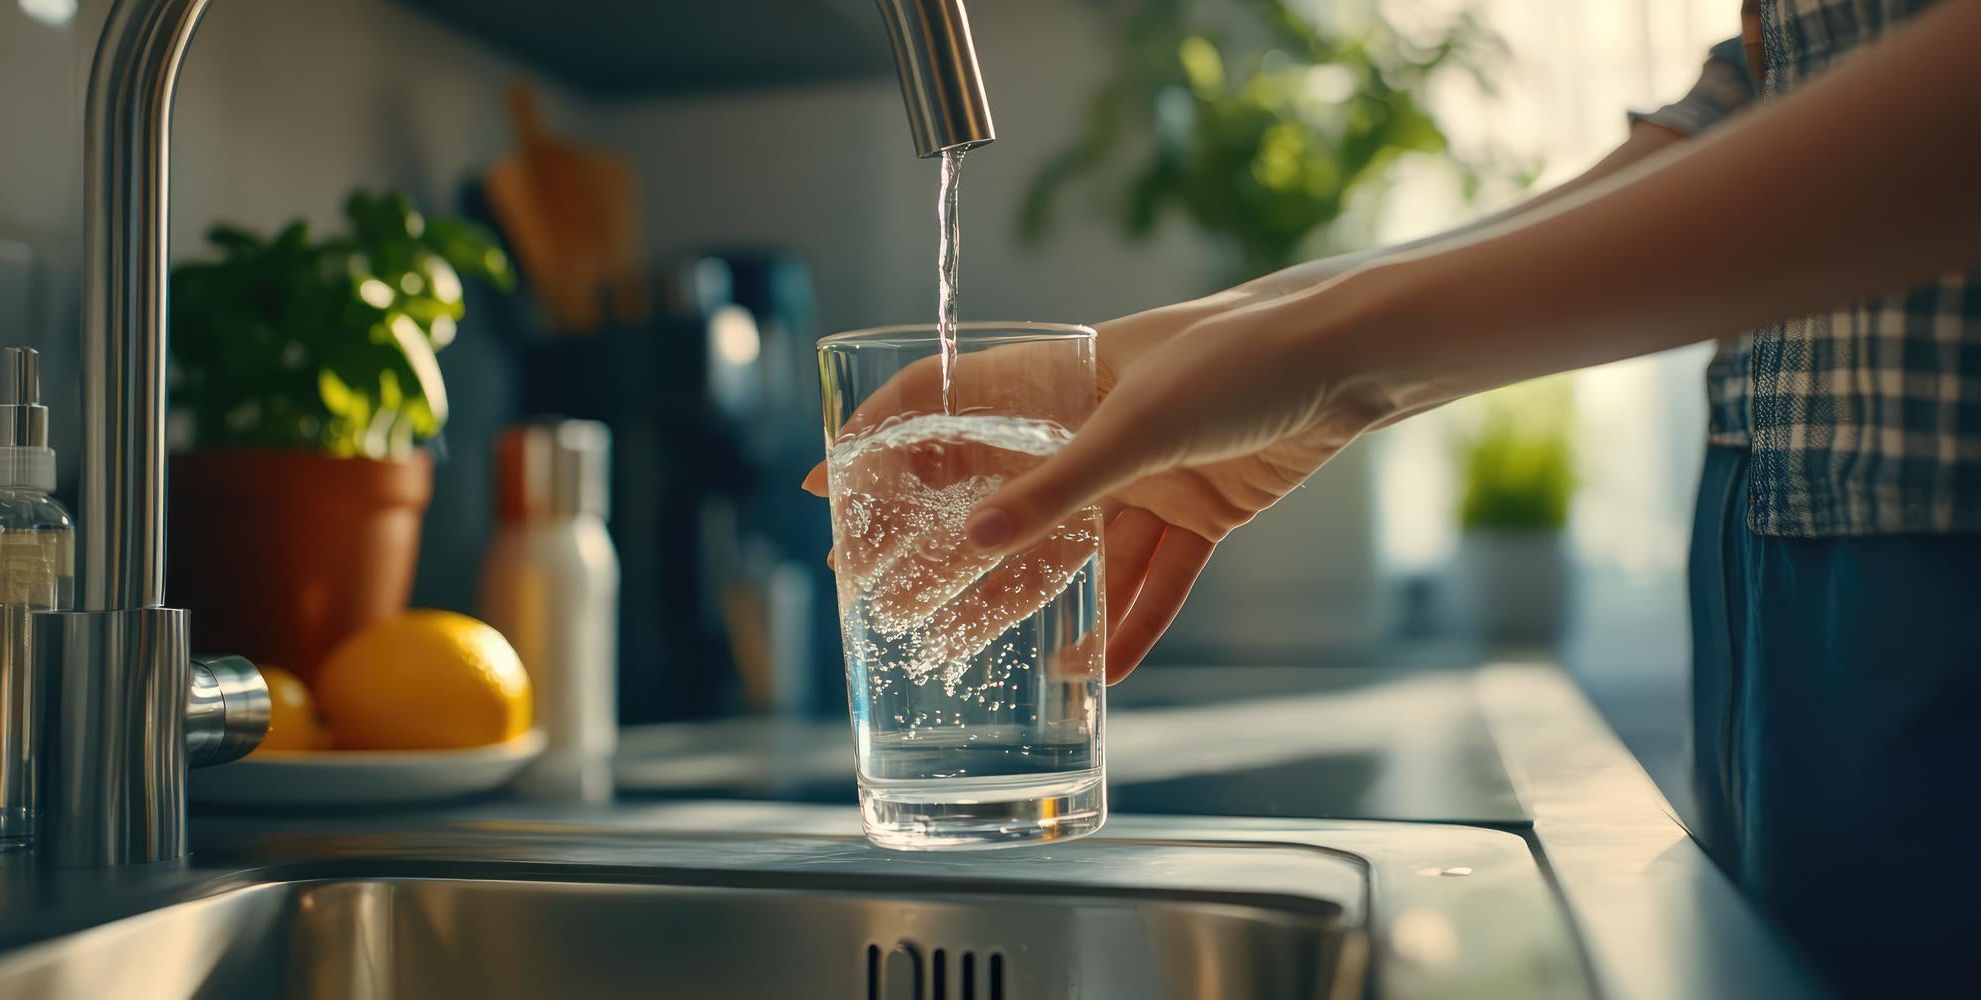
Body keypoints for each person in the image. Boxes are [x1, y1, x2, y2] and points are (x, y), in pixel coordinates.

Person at [810, 1, 1979, 992]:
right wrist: (1270, 327)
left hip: (1938, 521)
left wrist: (1346, 351)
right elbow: (1783, 83)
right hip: (1774, 524)